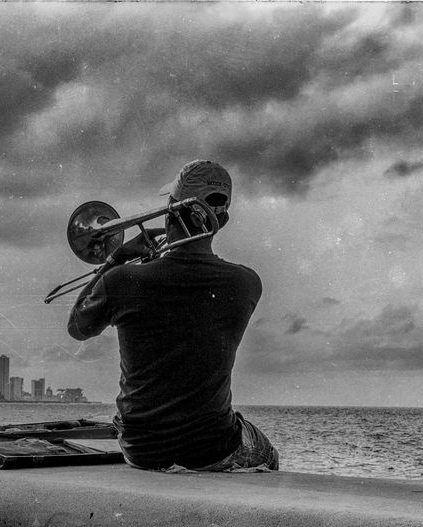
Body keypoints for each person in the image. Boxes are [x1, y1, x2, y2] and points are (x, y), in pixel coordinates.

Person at [67, 160, 277, 473]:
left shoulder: (122, 279)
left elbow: (77, 327)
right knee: (267, 453)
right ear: (223, 220)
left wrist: (116, 258)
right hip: (210, 448)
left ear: (170, 211)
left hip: (141, 449)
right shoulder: (247, 283)